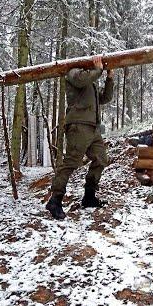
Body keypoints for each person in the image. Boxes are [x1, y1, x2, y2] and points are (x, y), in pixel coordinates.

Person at [46, 55, 114, 219]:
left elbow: (105, 98)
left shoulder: (90, 81)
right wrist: (98, 70)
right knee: (71, 163)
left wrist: (109, 79)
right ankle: (55, 200)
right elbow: (82, 79)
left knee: (101, 159)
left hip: (92, 128)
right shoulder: (73, 73)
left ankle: (89, 197)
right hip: (78, 126)